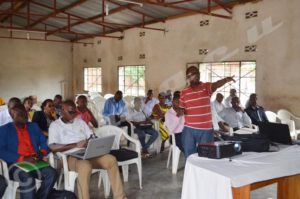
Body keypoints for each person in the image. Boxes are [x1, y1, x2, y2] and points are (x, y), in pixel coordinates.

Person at [48, 100, 126, 199]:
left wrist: (92, 142)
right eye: (70, 112)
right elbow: (53, 147)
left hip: (88, 153)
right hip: (69, 157)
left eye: (74, 112)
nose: (74, 115)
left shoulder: (80, 122)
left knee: (111, 160)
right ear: (62, 111)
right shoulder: (55, 126)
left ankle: (120, 197)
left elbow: (91, 136)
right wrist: (75, 145)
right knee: (85, 166)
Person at [0, 104, 57, 199]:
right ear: (12, 115)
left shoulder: (33, 126)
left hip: (35, 160)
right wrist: (22, 158)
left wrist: (42, 152)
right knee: (28, 178)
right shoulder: (4, 130)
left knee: (52, 173)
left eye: (25, 113)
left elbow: (44, 141)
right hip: (15, 164)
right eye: (20, 114)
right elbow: (1, 150)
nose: (24, 115)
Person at [179, 66, 235, 157]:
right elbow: (182, 108)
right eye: (192, 74)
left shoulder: (206, 87)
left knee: (206, 155)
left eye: (197, 73)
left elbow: (216, 84)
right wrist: (180, 111)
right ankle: (191, 171)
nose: (196, 75)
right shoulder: (184, 92)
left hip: (205, 130)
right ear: (188, 77)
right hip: (189, 129)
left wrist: (226, 80)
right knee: (189, 155)